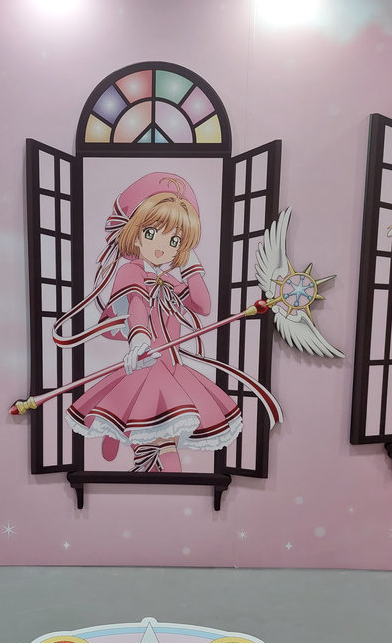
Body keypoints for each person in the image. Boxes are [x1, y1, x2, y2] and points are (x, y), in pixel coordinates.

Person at [54, 173, 278, 473]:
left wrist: (190, 264)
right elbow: (136, 305)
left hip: (172, 368)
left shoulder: (170, 280)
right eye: (152, 233)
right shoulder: (130, 271)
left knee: (160, 434)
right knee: (163, 440)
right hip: (146, 363)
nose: (162, 247)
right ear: (134, 234)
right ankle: (124, 434)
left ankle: (122, 432)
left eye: (174, 241)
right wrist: (139, 338)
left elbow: (202, 305)